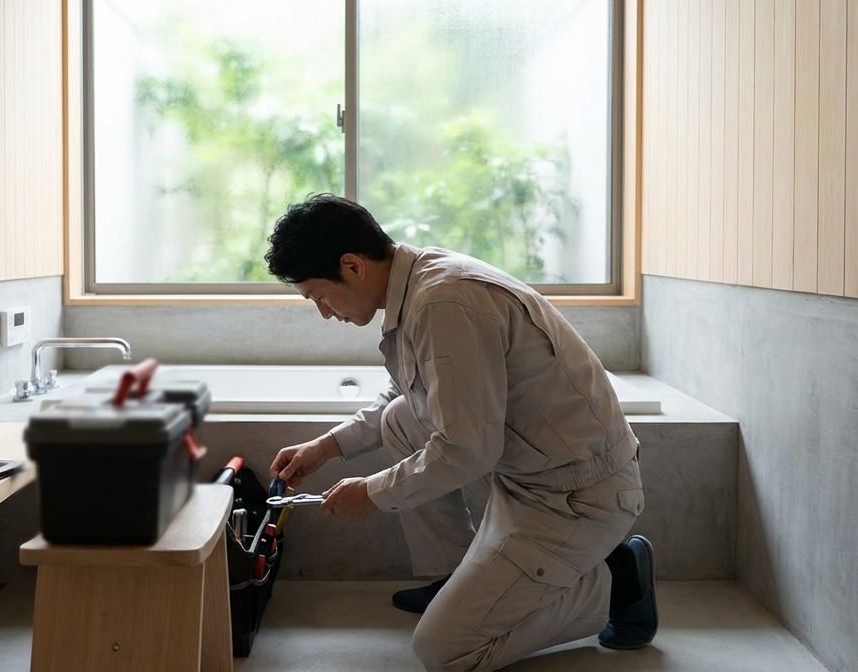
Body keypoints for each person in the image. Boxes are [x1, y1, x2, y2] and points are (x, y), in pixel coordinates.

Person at [266, 194, 657, 671]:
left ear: (352, 266)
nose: (325, 313)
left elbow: (466, 451)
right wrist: (327, 446)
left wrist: (370, 493)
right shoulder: (419, 282)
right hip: (530, 470)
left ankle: (618, 583)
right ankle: (455, 579)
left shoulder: (444, 302)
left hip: (574, 497)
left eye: (319, 296)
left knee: (442, 650)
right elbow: (410, 393)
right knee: (401, 420)